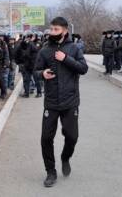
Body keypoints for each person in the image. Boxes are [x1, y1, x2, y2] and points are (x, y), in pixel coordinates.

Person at [34, 17, 88, 187]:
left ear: (65, 30)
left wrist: (65, 58)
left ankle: (65, 157)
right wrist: (42, 74)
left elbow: (83, 68)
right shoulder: (44, 50)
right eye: (51, 29)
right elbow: (35, 71)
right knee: (46, 138)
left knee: (72, 136)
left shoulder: (74, 48)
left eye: (56, 29)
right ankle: (50, 172)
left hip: (70, 101)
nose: (52, 32)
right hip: (51, 102)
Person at [15, 31, 38, 98]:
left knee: (28, 79)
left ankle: (29, 91)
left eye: (29, 37)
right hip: (23, 64)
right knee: (26, 79)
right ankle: (27, 92)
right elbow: (16, 54)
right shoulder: (21, 44)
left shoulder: (31, 44)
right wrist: (19, 63)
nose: (28, 39)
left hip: (29, 64)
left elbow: (33, 55)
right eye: (27, 37)